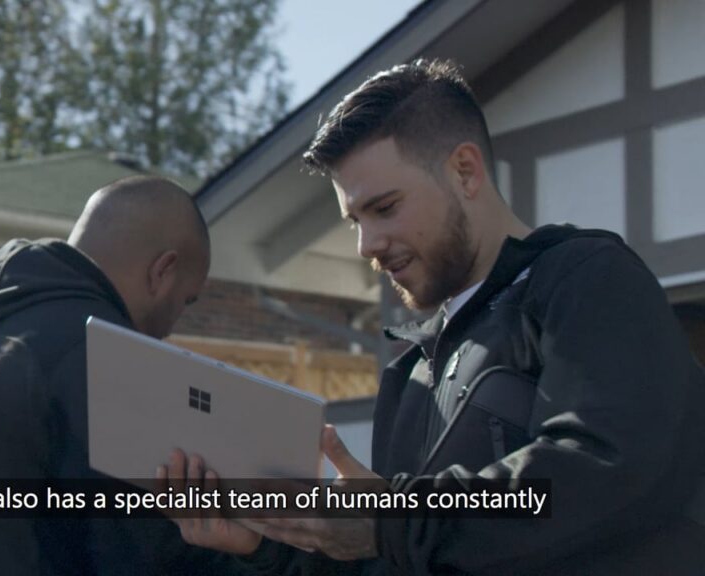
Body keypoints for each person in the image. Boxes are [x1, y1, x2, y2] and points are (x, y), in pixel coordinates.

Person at [166, 59, 705, 575]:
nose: (366, 244)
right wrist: (266, 545)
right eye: (354, 220)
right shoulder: (410, 375)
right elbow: (402, 555)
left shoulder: (587, 277)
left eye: (384, 208)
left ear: (464, 171)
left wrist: (392, 520)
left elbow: (608, 466)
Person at [0, 175, 252, 575]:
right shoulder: (103, 360)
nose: (174, 324)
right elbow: (140, 554)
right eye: (186, 301)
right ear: (163, 271)